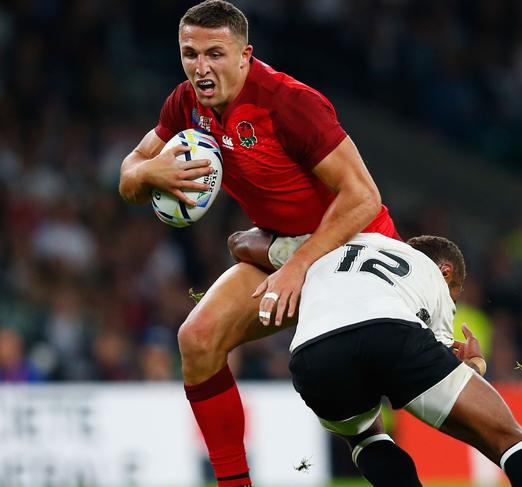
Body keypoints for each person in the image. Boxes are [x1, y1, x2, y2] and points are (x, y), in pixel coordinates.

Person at [117, 1, 399, 486]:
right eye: (190, 54)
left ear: (245, 55)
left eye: (215, 54)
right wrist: (149, 170)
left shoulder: (288, 103)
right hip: (281, 253)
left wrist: (298, 266)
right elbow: (127, 178)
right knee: (197, 339)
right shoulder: (185, 104)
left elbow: (364, 198)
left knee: (368, 405)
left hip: (355, 251)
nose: (201, 67)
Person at [229, 229, 522, 487]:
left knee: (365, 437)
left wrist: (244, 243)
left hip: (311, 353)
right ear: (446, 272)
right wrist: (476, 363)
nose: (454, 297)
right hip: (388, 332)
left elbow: (242, 242)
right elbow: (436, 368)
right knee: (507, 437)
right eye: (456, 290)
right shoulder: (429, 274)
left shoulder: (331, 243)